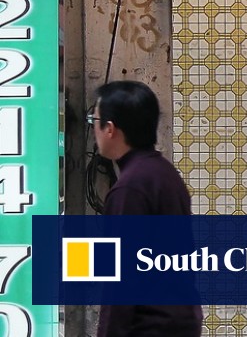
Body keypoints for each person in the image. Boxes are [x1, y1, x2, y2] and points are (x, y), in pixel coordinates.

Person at [90, 80, 202, 337]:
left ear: (110, 128)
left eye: (94, 122)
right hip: (179, 320)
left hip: (148, 326)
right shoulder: (163, 173)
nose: (93, 131)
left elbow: (120, 280)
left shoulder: (130, 189)